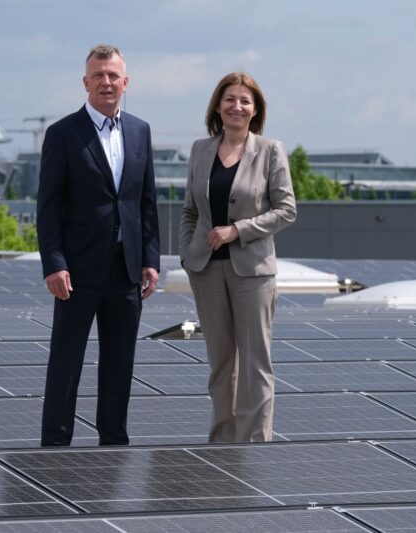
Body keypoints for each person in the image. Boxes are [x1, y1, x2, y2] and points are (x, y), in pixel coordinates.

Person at [37, 44, 160, 446]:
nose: (106, 82)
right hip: (76, 271)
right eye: (98, 75)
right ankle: (55, 445)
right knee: (66, 362)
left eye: (113, 76)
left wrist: (150, 260)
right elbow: (48, 206)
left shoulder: (140, 130)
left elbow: (145, 202)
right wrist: (54, 263)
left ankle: (113, 442)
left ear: (125, 83)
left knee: (120, 363)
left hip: (126, 271)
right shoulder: (62, 134)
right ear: (85, 82)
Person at [179, 72, 296, 443]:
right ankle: (223, 447)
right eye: (230, 99)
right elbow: (189, 212)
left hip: (253, 273)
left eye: (245, 101)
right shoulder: (200, 150)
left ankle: (256, 447)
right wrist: (187, 254)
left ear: (255, 110)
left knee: (255, 365)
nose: (237, 106)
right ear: (217, 105)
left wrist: (239, 230)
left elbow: (287, 210)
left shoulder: (270, 151)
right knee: (221, 364)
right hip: (207, 271)